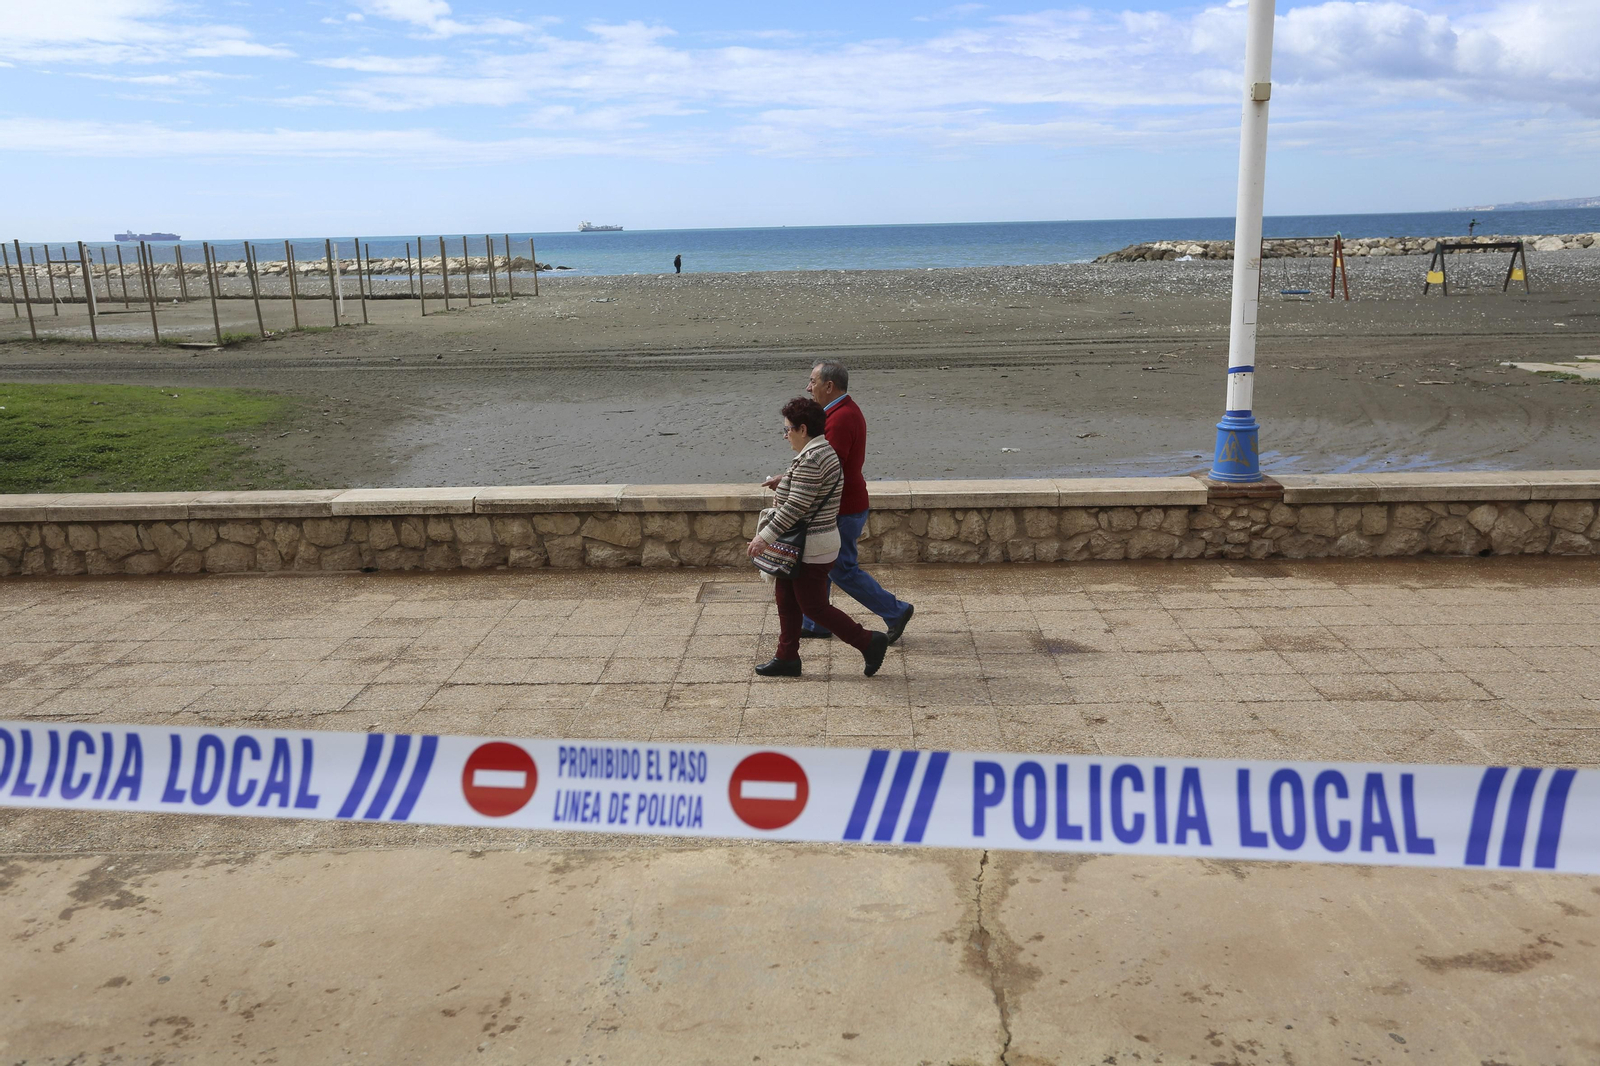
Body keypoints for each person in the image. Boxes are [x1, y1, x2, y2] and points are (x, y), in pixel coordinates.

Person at [764, 361, 914, 644]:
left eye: (812, 381)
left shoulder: (840, 417)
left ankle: (896, 611)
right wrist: (788, 477)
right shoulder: (840, 412)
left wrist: (789, 482)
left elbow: (826, 467)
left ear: (829, 386)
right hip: (845, 504)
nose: (808, 387)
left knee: (841, 569)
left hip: (843, 508)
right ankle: (815, 623)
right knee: (821, 565)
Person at [748, 397, 889, 678]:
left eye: (787, 429)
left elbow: (795, 508)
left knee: (814, 607)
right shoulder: (818, 452)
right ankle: (787, 657)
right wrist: (785, 480)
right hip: (808, 546)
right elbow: (803, 492)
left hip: (811, 547)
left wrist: (763, 538)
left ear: (802, 429)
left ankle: (869, 641)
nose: (785, 435)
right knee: (786, 600)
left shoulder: (813, 458)